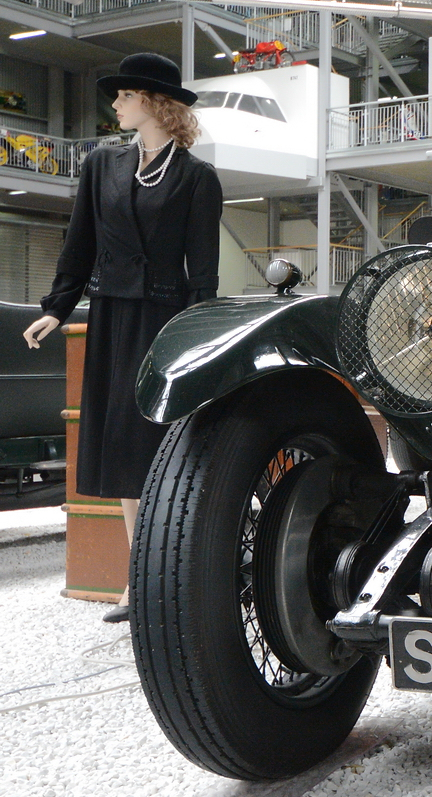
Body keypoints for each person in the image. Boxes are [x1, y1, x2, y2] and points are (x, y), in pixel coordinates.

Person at [23, 53, 223, 623]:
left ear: (154, 102)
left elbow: (202, 274)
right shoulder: (101, 164)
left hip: (164, 322)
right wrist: (57, 308)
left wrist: (194, 342)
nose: (114, 104)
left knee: (155, 447)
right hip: (111, 315)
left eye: (124, 95)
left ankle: (168, 576)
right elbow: (79, 243)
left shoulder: (196, 177)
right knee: (121, 449)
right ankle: (139, 579)